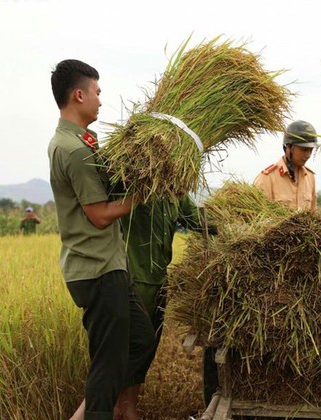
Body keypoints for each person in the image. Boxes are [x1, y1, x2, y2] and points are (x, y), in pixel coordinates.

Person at [48, 59, 154, 420]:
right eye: (97, 92)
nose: (100, 100)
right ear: (79, 94)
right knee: (108, 368)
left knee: (141, 341)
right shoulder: (75, 150)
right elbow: (99, 215)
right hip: (96, 271)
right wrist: (142, 195)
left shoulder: (82, 141)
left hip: (109, 266)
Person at [117, 196, 215, 415]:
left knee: (146, 351)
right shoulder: (133, 186)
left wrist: (236, 220)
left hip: (159, 283)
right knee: (128, 348)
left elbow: (200, 221)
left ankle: (128, 407)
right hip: (131, 280)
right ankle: (116, 408)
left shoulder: (174, 196)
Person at [253, 120, 318, 210]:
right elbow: (257, 216)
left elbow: (313, 215)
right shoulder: (267, 178)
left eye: (311, 150)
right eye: (304, 150)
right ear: (288, 148)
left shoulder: (310, 178)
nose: (308, 155)